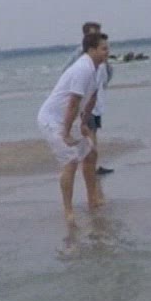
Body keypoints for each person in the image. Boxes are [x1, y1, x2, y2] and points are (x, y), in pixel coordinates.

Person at [39, 31, 108, 221]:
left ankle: (92, 199)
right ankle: (68, 211)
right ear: (92, 50)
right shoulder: (82, 69)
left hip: (70, 118)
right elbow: (73, 103)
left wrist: (84, 123)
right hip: (52, 119)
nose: (107, 52)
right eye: (103, 49)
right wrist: (67, 132)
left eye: (107, 48)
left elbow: (92, 98)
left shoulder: (98, 68)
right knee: (70, 160)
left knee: (90, 153)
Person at [68, 21, 115, 175]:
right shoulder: (80, 54)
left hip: (97, 101)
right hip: (86, 102)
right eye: (94, 33)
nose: (98, 36)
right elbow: (67, 73)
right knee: (89, 134)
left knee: (94, 132)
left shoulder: (100, 53)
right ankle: (90, 167)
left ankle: (93, 165)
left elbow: (107, 73)